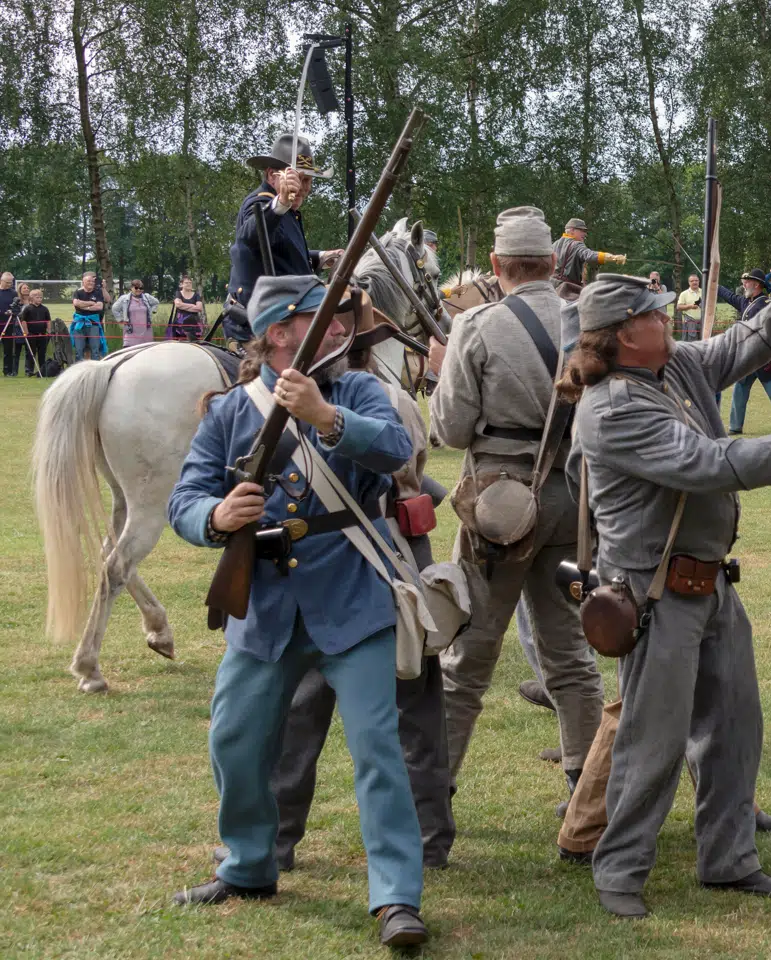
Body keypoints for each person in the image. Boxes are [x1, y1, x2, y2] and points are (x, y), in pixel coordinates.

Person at [557, 251, 771, 919]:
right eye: (654, 315)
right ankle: (621, 869)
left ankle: (728, 859)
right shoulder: (609, 409)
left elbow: (737, 347)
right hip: (654, 594)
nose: (668, 320)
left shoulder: (672, 367)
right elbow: (706, 462)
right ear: (623, 333)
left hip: (709, 582)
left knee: (734, 726)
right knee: (652, 741)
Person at [166, 275, 428, 948]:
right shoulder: (230, 412)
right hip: (267, 607)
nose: (339, 327)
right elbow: (186, 498)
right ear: (280, 331)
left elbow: (397, 452)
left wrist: (324, 417)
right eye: (323, 317)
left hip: (352, 596)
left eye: (339, 316)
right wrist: (216, 516)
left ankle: (396, 896)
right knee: (235, 740)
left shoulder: (356, 391)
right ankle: (250, 865)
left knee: (376, 751)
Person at [430, 207, 604, 804]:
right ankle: (587, 797)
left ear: (499, 266)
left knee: (466, 661)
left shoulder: (476, 325)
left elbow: (451, 430)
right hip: (573, 500)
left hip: (501, 507)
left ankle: (434, 799)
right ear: (553, 263)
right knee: (571, 658)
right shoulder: (587, 322)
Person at [222, 135, 342, 346]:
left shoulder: (286, 211)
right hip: (254, 327)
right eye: (297, 179)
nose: (303, 188)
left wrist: (322, 257)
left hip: (282, 317)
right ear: (271, 175)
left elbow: (284, 255)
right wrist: (281, 202)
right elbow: (251, 236)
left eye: (307, 180)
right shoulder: (261, 204)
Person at [718, 269, 771, 435]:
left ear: (756, 284)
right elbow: (730, 296)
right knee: (739, 392)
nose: (743, 284)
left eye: (747, 282)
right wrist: (714, 285)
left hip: (763, 358)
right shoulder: (745, 302)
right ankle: (735, 426)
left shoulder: (768, 304)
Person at [551, 218, 627, 293]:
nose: (585, 234)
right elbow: (589, 255)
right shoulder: (576, 244)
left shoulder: (554, 244)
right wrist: (613, 257)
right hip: (567, 290)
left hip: (551, 286)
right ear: (572, 230)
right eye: (582, 231)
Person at [70, 272, 109, 359]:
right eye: (88, 281)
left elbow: (99, 306)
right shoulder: (78, 292)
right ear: (83, 282)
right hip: (79, 324)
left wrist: (84, 307)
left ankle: (94, 370)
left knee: (95, 350)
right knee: (79, 350)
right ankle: (79, 370)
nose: (91, 283)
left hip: (94, 324)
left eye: (93, 281)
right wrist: (91, 303)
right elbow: (76, 303)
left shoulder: (98, 292)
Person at [113, 279, 159, 348]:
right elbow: (114, 308)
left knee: (146, 351)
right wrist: (120, 320)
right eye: (136, 288)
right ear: (131, 288)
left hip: (146, 330)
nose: (138, 290)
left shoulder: (147, 297)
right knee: (129, 351)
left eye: (141, 288)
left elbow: (156, 302)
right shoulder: (124, 298)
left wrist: (153, 311)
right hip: (130, 330)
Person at [20, 287, 52, 376]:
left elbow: (48, 320)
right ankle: (29, 371)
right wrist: (26, 333)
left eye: (40, 297)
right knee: (30, 353)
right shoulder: (27, 309)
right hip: (31, 334)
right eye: (37, 297)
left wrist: (49, 331)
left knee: (42, 353)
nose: (39, 299)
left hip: (42, 335)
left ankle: (42, 370)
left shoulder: (45, 309)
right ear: (31, 298)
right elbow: (23, 321)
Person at [170, 276, 206, 340]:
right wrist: (192, 305)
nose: (189, 284)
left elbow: (199, 308)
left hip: (194, 324)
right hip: (180, 324)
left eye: (190, 283)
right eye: (186, 283)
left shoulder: (196, 294)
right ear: (181, 285)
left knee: (194, 344)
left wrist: (183, 306)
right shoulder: (178, 293)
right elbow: (178, 305)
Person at [674, 274, 702, 341]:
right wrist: (690, 306)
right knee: (691, 343)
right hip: (690, 321)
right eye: (692, 281)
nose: (694, 282)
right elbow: (678, 307)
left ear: (699, 281)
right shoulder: (684, 294)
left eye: (696, 280)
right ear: (689, 282)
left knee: (704, 342)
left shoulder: (704, 291)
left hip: (703, 321)